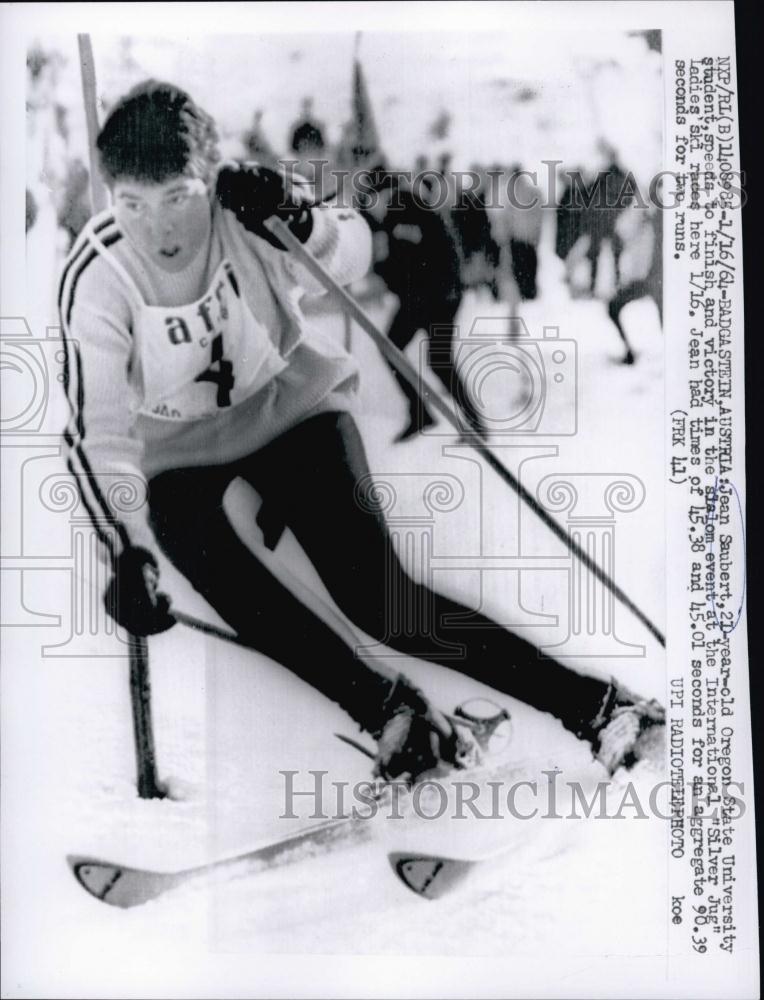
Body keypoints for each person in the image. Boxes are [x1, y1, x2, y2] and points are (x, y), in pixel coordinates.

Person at [60, 81, 663, 785]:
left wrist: (298, 216)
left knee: (383, 603)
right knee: (213, 564)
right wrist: (127, 552)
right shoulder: (99, 273)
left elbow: (356, 248)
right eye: (132, 203)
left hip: (290, 405)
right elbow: (97, 433)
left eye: (177, 198)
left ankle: (599, 707)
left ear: (210, 175)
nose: (157, 229)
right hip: (177, 449)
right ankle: (393, 716)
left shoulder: (242, 202)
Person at [362, 171, 487, 441]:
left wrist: (382, 272)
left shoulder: (403, 208)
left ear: (381, 194)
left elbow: (411, 261)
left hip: (436, 295)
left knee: (413, 352)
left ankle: (433, 415)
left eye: (370, 200)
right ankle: (431, 414)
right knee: (416, 353)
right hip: (434, 294)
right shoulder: (400, 209)